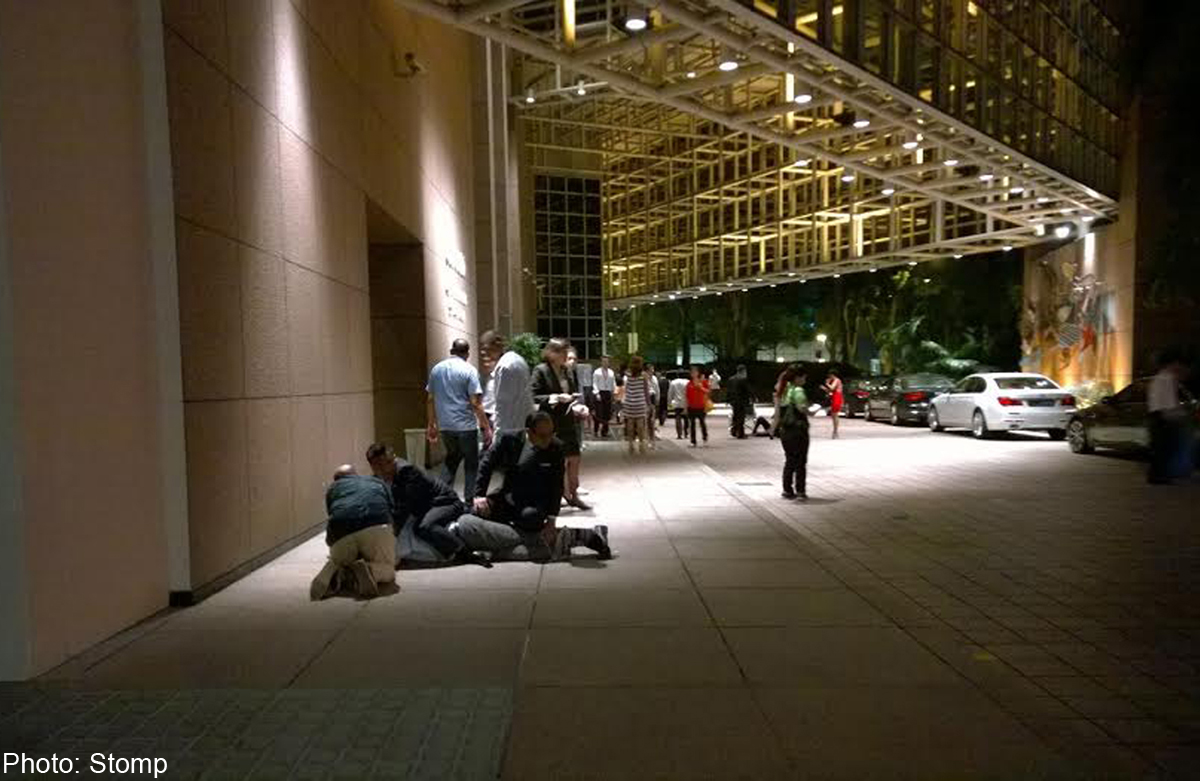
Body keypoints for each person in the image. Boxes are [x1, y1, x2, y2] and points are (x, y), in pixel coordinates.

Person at [366, 443, 491, 567]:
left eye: (384, 464)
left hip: (446, 502)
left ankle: (465, 553)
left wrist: (390, 534)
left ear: (391, 458)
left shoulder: (406, 471)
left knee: (424, 527)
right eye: (376, 466)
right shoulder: (383, 475)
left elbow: (404, 508)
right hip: (429, 504)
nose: (381, 469)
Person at [310, 465, 397, 600]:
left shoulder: (332, 489)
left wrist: (333, 548)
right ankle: (370, 571)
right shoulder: (376, 482)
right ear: (355, 474)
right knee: (388, 568)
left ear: (336, 480)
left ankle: (335, 571)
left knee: (339, 559)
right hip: (376, 525)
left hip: (342, 532)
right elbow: (392, 509)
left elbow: (333, 517)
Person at [474, 411, 566, 533]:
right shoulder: (508, 439)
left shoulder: (556, 448)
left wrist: (551, 519)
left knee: (532, 519)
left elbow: (557, 484)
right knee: (477, 510)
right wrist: (479, 495)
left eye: (551, 434)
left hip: (534, 501)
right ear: (529, 432)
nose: (547, 440)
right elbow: (486, 464)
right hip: (508, 495)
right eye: (542, 436)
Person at [425, 339, 492, 501]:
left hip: (446, 426)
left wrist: (431, 424)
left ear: (451, 351)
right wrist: (486, 427)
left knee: (451, 460)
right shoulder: (469, 370)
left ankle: (441, 497)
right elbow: (475, 403)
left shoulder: (437, 370)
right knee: (471, 464)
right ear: (467, 354)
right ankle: (469, 501)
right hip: (466, 427)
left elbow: (430, 399)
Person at [532, 339, 590, 510]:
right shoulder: (541, 370)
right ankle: (558, 496)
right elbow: (533, 396)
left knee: (575, 458)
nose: (566, 356)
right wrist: (555, 397)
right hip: (550, 423)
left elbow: (571, 394)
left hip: (567, 420)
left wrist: (577, 406)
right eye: (563, 352)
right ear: (552, 353)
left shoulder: (566, 371)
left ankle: (574, 494)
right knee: (557, 462)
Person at [480, 330, 535, 436]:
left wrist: (497, 433)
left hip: (509, 429)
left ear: (496, 346)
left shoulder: (504, 366)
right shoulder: (518, 359)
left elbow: (502, 404)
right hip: (523, 424)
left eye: (486, 348)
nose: (484, 352)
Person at [1148, 350, 1190, 484]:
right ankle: (1161, 476)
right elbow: (1169, 401)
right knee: (1165, 447)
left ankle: (1157, 475)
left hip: (1157, 415)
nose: (1179, 367)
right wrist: (1180, 415)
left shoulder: (1159, 377)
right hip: (1164, 416)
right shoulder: (1167, 378)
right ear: (1172, 363)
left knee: (1160, 448)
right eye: (1177, 364)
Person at [777, 368, 811, 500]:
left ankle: (787, 490)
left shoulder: (784, 390)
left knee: (789, 460)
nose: (804, 380)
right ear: (797, 378)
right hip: (798, 430)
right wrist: (811, 411)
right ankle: (800, 491)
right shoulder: (798, 391)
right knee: (800, 461)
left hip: (785, 430)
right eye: (804, 377)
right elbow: (802, 408)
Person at [620, 356, 652, 455]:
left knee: (630, 424)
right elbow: (646, 391)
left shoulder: (628, 375)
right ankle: (641, 444)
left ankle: (631, 444)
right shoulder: (644, 376)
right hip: (640, 402)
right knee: (640, 425)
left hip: (629, 402)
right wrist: (649, 404)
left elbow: (626, 388)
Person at [686, 364, 711, 447]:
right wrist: (686, 406)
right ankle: (693, 441)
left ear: (698, 373)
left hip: (701, 406)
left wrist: (700, 387)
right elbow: (687, 396)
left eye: (694, 371)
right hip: (691, 406)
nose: (693, 373)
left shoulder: (703, 382)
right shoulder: (689, 383)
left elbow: (708, 391)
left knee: (702, 423)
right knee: (692, 424)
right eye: (691, 372)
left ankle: (705, 438)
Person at [593, 356, 617, 438]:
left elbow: (613, 383)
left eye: (607, 362)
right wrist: (596, 393)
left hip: (608, 392)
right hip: (600, 392)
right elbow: (595, 383)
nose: (605, 363)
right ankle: (596, 430)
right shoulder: (597, 372)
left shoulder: (611, 372)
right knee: (599, 413)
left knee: (607, 413)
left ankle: (605, 431)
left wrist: (614, 392)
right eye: (604, 361)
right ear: (601, 362)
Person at [727, 364, 752, 439]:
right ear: (743, 371)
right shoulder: (743, 379)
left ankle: (734, 430)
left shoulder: (731, 379)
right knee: (741, 417)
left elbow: (728, 390)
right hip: (741, 400)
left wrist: (728, 399)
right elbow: (747, 391)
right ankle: (740, 433)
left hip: (733, 400)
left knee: (735, 415)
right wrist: (751, 398)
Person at [823, 369, 844, 439]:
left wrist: (827, 383)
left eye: (830, 375)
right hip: (835, 397)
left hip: (837, 397)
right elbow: (830, 390)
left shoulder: (837, 380)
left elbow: (832, 388)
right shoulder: (834, 381)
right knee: (833, 415)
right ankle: (835, 431)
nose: (829, 377)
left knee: (835, 414)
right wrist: (824, 388)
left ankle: (835, 431)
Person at [668, 372, 689, 439]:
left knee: (678, 418)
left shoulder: (673, 382)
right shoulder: (687, 382)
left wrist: (669, 402)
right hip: (686, 402)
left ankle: (679, 434)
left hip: (677, 402)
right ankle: (686, 432)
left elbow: (670, 393)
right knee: (686, 418)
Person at [645, 363, 660, 445]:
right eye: (651, 370)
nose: (652, 371)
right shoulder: (644, 378)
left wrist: (657, 398)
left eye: (653, 369)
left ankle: (652, 437)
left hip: (653, 397)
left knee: (652, 419)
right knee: (646, 419)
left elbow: (657, 389)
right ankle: (646, 437)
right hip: (646, 398)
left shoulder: (654, 378)